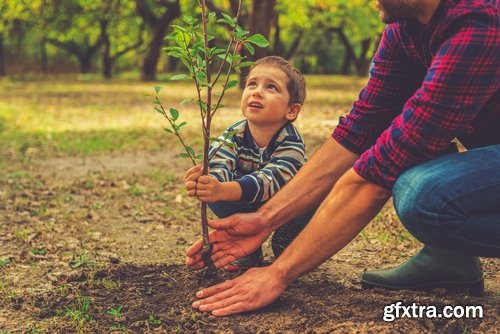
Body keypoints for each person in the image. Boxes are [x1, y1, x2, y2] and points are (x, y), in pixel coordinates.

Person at [185, 0, 500, 317]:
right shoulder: (403, 29)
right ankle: (450, 258)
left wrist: (277, 273)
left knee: (424, 195)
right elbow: (360, 130)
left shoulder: (479, 23)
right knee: (412, 146)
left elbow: (376, 176)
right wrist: (264, 219)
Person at [184, 56, 315, 270]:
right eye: (252, 84)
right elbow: (219, 160)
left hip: (289, 205)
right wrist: (208, 183)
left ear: (291, 110)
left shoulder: (291, 142)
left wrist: (226, 189)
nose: (257, 91)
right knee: (217, 195)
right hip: (250, 200)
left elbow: (271, 181)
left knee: (304, 215)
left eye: (271, 87)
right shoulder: (235, 132)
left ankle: (291, 238)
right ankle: (249, 249)